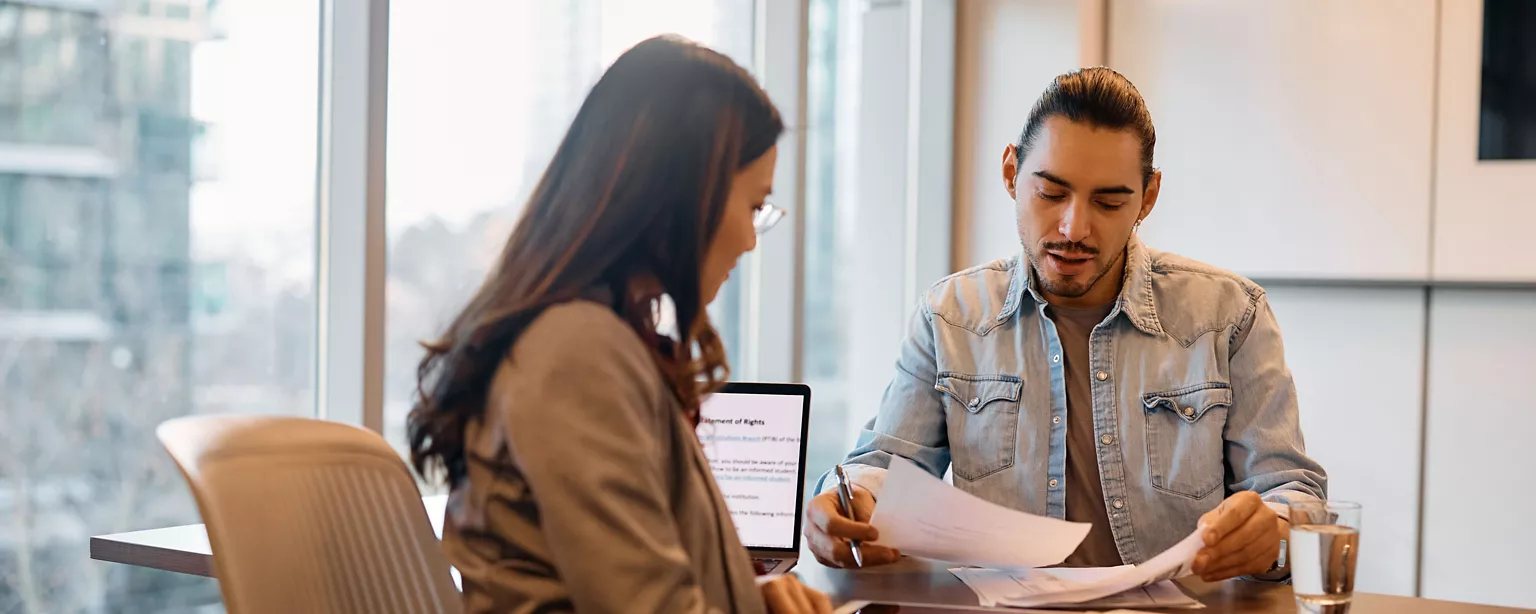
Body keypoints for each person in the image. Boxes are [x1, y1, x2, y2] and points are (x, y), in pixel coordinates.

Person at [803, 67, 1327, 582]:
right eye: (1051, 193)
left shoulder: (1230, 314)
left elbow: (1292, 492)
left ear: (1148, 197)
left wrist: (1275, 533)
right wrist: (847, 502)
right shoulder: (950, 316)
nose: (1074, 227)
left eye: (1109, 201)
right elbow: (885, 467)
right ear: (1011, 173)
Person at [407, 36, 830, 614]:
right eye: (753, 205)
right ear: (685, 195)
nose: (752, 239)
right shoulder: (577, 352)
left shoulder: (584, 338)